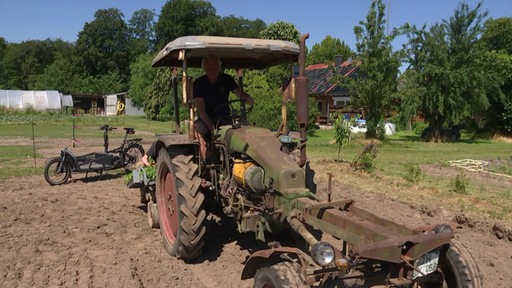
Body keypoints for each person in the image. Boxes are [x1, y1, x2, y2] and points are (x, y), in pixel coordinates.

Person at [140, 55, 254, 166]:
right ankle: (206, 164)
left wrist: (247, 98)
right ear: (205, 69)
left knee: (244, 130)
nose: (212, 71)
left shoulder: (227, 79)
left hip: (224, 117)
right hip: (205, 118)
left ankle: (243, 161)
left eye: (214, 68)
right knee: (199, 130)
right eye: (208, 69)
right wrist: (212, 128)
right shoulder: (200, 83)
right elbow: (201, 109)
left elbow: (239, 93)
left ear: (218, 67)